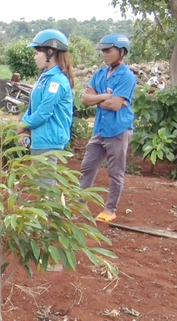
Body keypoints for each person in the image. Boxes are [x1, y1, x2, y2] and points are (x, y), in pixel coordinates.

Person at [79, 33, 136, 223]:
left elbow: (115, 105)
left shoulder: (127, 76)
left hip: (118, 130)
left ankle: (110, 209)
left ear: (122, 51)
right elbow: (84, 99)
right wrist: (105, 97)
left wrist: (97, 98)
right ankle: (80, 204)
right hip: (100, 130)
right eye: (103, 51)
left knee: (115, 171)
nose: (104, 54)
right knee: (87, 167)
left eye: (108, 50)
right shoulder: (100, 74)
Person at [17, 29, 74, 175]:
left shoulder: (56, 81)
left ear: (50, 52)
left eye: (37, 53)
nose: (35, 57)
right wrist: (24, 126)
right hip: (40, 138)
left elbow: (44, 111)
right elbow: (33, 107)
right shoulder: (45, 78)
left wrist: (23, 125)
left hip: (49, 140)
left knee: (44, 184)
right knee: (40, 183)